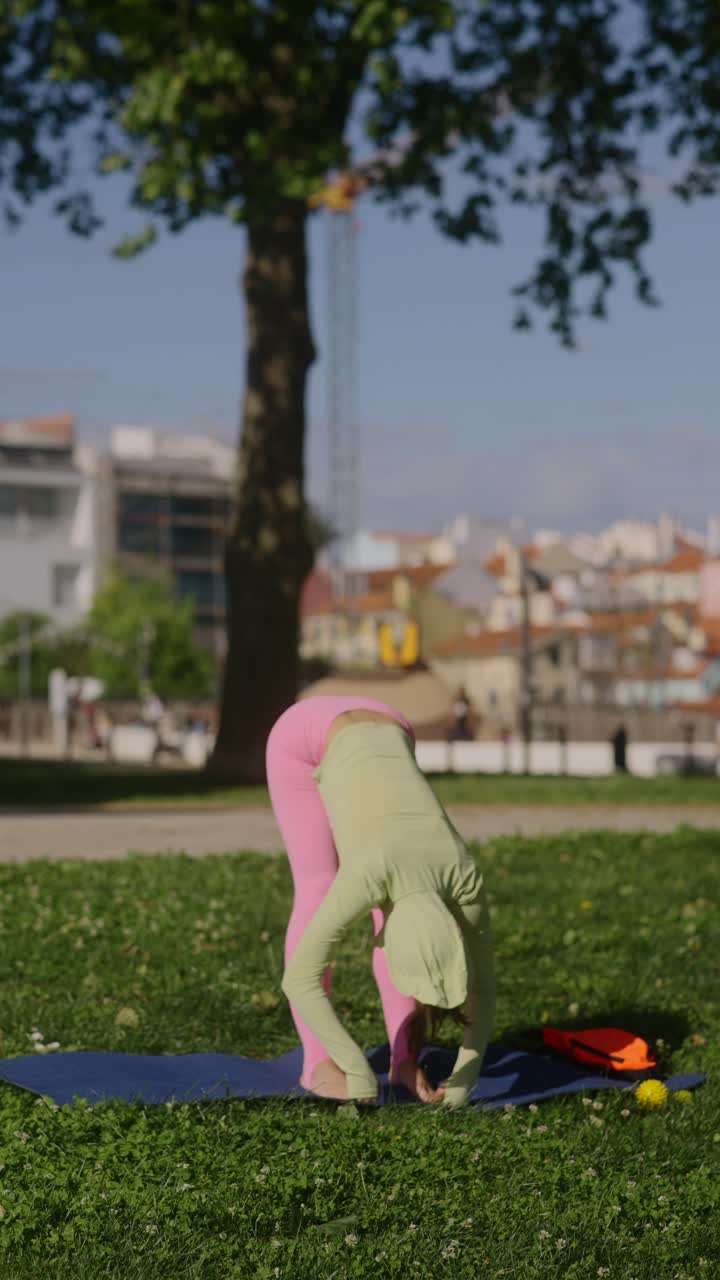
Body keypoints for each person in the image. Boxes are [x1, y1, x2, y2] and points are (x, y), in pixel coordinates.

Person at [266, 695, 495, 1110]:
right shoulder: (368, 874)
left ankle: (404, 1060)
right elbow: (299, 978)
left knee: (381, 896)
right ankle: (317, 1064)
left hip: (392, 720)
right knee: (318, 885)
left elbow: (483, 987)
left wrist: (461, 1085)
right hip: (304, 733)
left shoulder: (463, 877)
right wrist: (354, 1068)